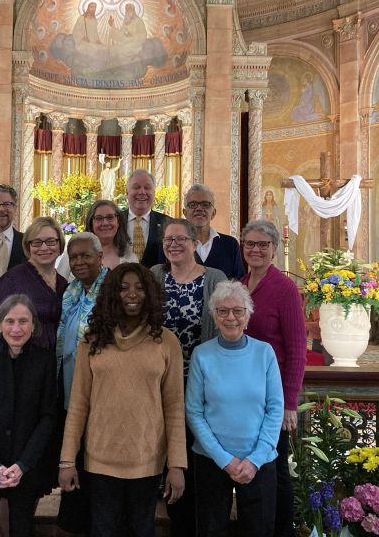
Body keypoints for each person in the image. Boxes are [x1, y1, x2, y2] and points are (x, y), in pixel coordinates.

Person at [59, 263, 186, 537]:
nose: (132, 294)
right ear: (111, 294)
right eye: (123, 287)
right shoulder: (92, 341)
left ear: (150, 294)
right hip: (100, 461)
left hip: (147, 461)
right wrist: (67, 461)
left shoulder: (166, 342)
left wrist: (176, 464)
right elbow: (78, 405)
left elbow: (175, 406)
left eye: (140, 288)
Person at [186, 281, 283, 537]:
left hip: (259, 461)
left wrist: (255, 459)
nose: (231, 317)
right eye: (223, 311)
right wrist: (224, 459)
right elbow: (194, 412)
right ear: (214, 315)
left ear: (248, 315)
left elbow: (275, 409)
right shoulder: (201, 355)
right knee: (210, 529)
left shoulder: (265, 353)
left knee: (259, 530)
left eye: (238, 311)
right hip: (211, 460)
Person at [150, 218, 226, 537]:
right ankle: (177, 521)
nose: (175, 244)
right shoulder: (154, 276)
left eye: (182, 239)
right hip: (162, 383)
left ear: (195, 243)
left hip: (202, 383)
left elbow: (226, 325)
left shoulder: (215, 278)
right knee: (168, 454)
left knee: (199, 458)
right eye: (169, 239)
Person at [0, 294, 56, 537]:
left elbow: (48, 417)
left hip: (26, 465)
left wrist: (22, 464)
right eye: (10, 321)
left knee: (22, 528)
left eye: (23, 321)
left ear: (34, 326)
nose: (16, 328)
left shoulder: (44, 361)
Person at [239, 219, 307, 537]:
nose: (255, 250)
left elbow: (296, 350)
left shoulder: (285, 289)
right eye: (250, 244)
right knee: (258, 465)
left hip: (272, 395)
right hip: (243, 394)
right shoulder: (240, 285)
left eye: (262, 245)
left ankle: (282, 529)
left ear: (274, 249)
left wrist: (289, 403)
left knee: (276, 466)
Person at [55, 233, 108, 534]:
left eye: (86, 255)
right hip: (70, 390)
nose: (79, 262)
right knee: (74, 460)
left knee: (95, 465)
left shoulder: (112, 289)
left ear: (101, 257)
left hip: (100, 395)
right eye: (73, 257)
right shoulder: (71, 290)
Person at [0, 217, 68, 350]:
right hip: (22, 364)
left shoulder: (63, 283)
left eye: (50, 241)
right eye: (36, 242)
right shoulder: (12, 280)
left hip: (57, 365)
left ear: (60, 244)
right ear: (28, 246)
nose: (44, 247)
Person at [57, 199, 136, 279]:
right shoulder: (73, 253)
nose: (105, 223)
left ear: (118, 222)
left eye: (110, 217)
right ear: (91, 223)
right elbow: (58, 285)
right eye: (99, 218)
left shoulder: (129, 256)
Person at [182, 184, 244, 279]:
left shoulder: (230, 245)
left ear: (213, 213)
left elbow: (239, 283)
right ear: (185, 213)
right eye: (193, 204)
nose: (199, 209)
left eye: (205, 204)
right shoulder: (174, 245)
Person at [124, 169, 171, 268]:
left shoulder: (168, 223)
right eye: (136, 187)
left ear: (154, 193)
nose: (142, 192)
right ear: (127, 192)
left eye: (147, 187)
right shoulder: (114, 221)